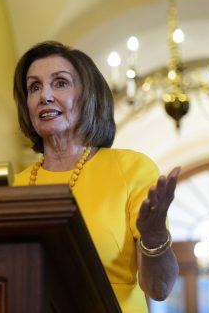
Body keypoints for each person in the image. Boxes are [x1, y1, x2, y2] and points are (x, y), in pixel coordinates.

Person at [12, 41, 179, 312]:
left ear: (87, 96)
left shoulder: (132, 168)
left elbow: (160, 289)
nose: (45, 95)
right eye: (34, 87)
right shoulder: (12, 186)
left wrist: (154, 235)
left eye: (60, 83)